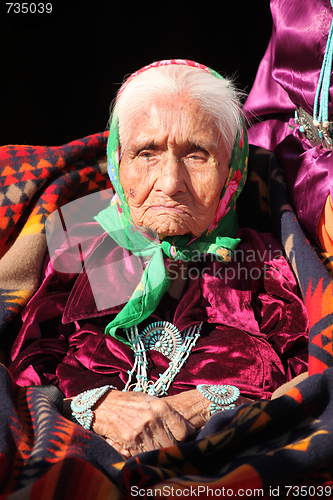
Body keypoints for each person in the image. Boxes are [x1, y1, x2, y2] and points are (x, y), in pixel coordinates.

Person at [8, 59, 308, 459]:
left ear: (231, 172)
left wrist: (206, 406)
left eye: (197, 154)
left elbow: (310, 376)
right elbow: (26, 368)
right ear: (119, 162)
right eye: (147, 152)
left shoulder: (265, 263)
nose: (170, 183)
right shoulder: (78, 246)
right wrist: (94, 407)